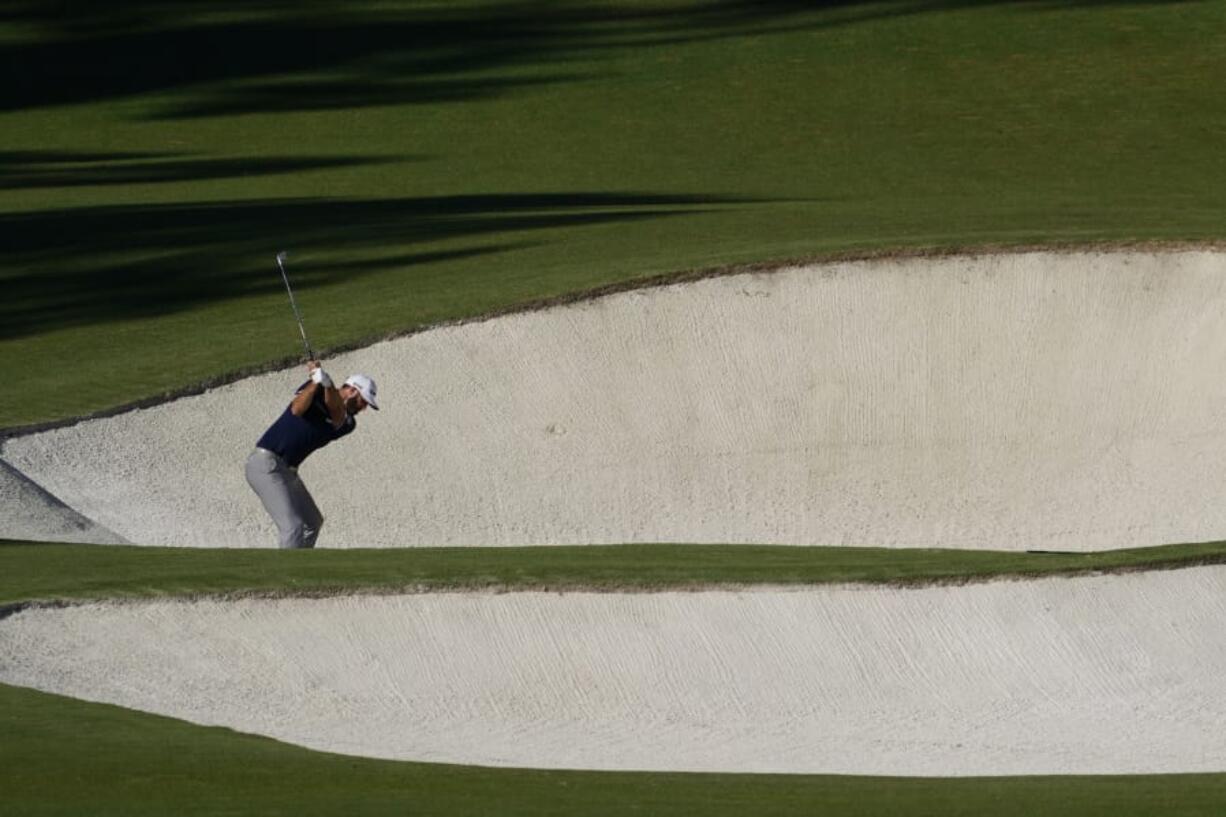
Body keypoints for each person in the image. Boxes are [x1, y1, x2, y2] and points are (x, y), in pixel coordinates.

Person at [246, 360, 378, 548]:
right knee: (293, 526)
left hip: (287, 471)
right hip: (265, 464)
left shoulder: (348, 423)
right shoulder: (314, 391)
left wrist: (328, 384)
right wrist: (316, 382)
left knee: (312, 522)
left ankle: (300, 569)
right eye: (363, 401)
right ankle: (285, 575)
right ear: (352, 391)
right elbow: (296, 409)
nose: (363, 408)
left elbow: (336, 413)